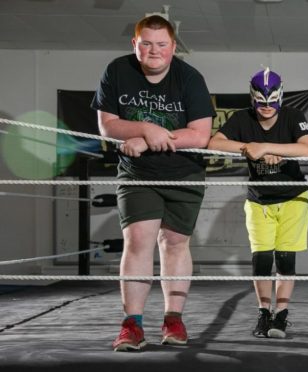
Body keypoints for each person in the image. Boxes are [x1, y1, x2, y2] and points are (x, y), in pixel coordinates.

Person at [91, 15, 215, 351]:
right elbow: (108, 126)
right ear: (135, 44)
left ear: (174, 48)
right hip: (137, 174)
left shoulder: (190, 78)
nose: (154, 50)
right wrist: (145, 129)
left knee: (174, 243)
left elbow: (201, 135)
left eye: (161, 44)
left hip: (184, 172)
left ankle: (173, 319)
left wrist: (148, 139)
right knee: (137, 241)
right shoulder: (117, 71)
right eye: (146, 43)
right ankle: (132, 325)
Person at [208, 68, 308, 339]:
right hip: (259, 200)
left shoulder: (293, 115)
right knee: (262, 260)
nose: (267, 108)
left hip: (293, 197)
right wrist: (249, 146)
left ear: (280, 97)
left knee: (286, 259)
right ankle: (264, 313)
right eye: (261, 103)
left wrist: (271, 148)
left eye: (272, 102)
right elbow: (214, 143)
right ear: (252, 97)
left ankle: (282, 315)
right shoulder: (242, 117)